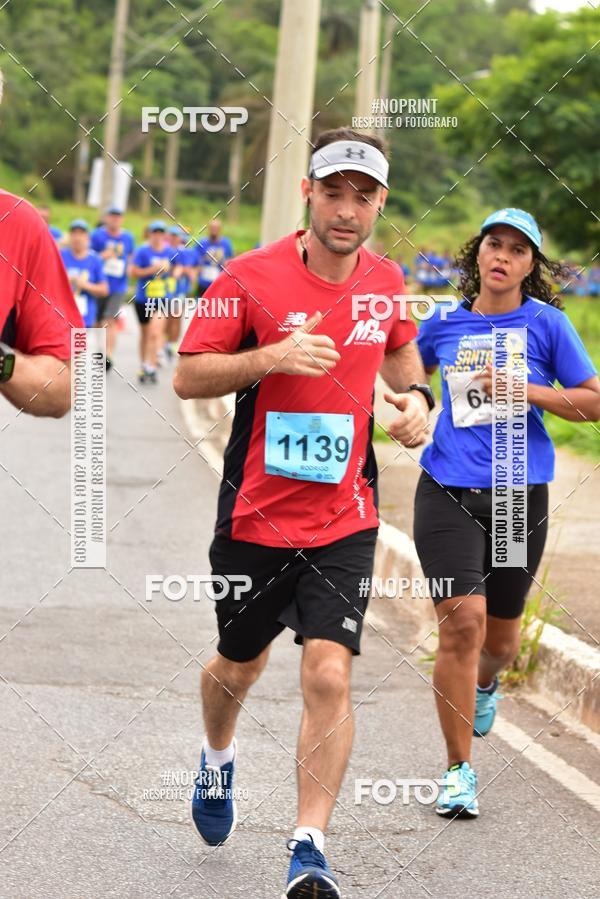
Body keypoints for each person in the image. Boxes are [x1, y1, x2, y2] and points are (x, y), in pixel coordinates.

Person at [174, 127, 433, 898]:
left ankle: (308, 845)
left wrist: (414, 400)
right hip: (255, 517)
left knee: (329, 670)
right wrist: (271, 357)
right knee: (238, 664)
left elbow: (400, 348)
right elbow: (189, 375)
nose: (348, 209)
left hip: (345, 515)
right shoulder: (245, 278)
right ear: (308, 194)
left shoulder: (387, 280)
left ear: (380, 202)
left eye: (364, 195)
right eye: (334, 191)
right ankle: (217, 760)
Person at [413, 208, 600, 819]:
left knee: (499, 639)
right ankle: (458, 769)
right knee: (461, 623)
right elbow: (406, 369)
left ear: (530, 266)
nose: (503, 256)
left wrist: (525, 391)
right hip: (445, 489)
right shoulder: (441, 322)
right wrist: (408, 399)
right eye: (494, 244)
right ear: (477, 254)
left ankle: (488, 681)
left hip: (518, 497)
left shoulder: (547, 325)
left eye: (519, 251)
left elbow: (593, 402)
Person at [91, 206, 135, 370]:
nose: (115, 219)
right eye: (113, 216)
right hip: (99, 284)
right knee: (96, 322)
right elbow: (89, 256)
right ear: (107, 218)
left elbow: (130, 255)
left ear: (121, 219)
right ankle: (98, 350)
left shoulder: (128, 237)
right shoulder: (97, 235)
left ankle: (108, 355)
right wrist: (104, 255)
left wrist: (129, 267)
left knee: (110, 320)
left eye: (118, 217)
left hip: (118, 286)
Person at [129, 220, 173, 384]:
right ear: (150, 234)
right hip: (143, 299)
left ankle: (152, 366)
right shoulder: (142, 251)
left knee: (156, 332)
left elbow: (177, 271)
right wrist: (152, 270)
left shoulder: (170, 252)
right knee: (146, 333)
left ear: (164, 235)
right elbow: (133, 272)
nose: (157, 236)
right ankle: (144, 364)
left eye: (161, 233)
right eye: (155, 232)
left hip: (162, 299)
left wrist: (172, 271)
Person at [60, 220, 108, 329]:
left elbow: (104, 290)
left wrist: (85, 285)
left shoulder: (95, 259)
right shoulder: (61, 255)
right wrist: (66, 280)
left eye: (81, 234)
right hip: (60, 316)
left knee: (78, 346)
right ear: (70, 236)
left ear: (87, 237)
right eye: (74, 233)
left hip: (83, 319)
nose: (77, 237)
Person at [194, 218, 234, 295]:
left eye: (216, 228)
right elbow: (194, 259)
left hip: (219, 282)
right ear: (208, 229)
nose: (214, 230)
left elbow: (230, 260)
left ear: (220, 229)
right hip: (203, 281)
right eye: (212, 228)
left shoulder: (226, 243)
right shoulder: (202, 243)